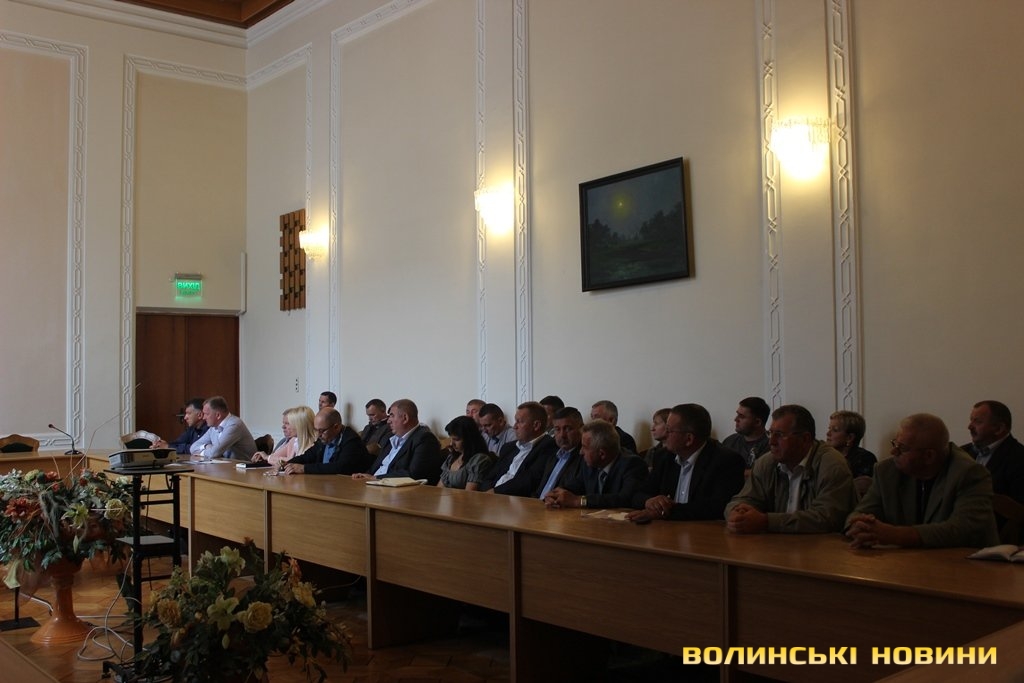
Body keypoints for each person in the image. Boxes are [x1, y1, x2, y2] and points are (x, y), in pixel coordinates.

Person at [846, 413, 998, 549]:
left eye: (902, 448)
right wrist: (858, 526)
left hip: (966, 564)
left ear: (929, 456)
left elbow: (963, 529)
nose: (893, 452)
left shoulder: (968, 473)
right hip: (907, 562)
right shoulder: (886, 471)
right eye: (894, 443)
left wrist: (895, 535)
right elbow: (860, 512)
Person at [725, 404, 856, 534]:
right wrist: (737, 513)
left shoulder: (832, 465)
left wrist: (766, 521)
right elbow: (744, 499)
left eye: (779, 435)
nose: (771, 442)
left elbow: (826, 518)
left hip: (823, 544)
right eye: (770, 433)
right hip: (776, 544)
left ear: (805, 439)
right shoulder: (766, 462)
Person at [627, 404, 746, 523]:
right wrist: (649, 501)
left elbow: (716, 507)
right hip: (665, 530)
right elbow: (637, 495)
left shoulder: (727, 461)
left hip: (705, 531)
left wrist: (663, 513)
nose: (665, 434)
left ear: (689, 439)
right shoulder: (663, 456)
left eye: (669, 430)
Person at [545, 419, 647, 510]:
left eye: (585, 447)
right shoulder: (589, 464)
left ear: (602, 454)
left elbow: (625, 499)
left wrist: (579, 501)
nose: (580, 452)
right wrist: (556, 495)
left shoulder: (633, 465)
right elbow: (575, 486)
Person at [353, 399, 443, 484]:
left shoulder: (425, 439)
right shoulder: (390, 438)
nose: (388, 421)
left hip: (398, 490)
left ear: (405, 418)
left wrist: (376, 478)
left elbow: (414, 474)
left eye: (392, 415)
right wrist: (363, 476)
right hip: (374, 485)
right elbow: (375, 467)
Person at [481, 402, 558, 496]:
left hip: (516, 499)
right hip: (491, 497)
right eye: (515, 421)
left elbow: (527, 482)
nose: (515, 426)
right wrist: (487, 493)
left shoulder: (549, 447)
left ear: (536, 425)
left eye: (519, 421)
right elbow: (489, 477)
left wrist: (495, 492)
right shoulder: (508, 448)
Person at [962, 400, 1024, 505]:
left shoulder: (1019, 458)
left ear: (999, 429)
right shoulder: (962, 452)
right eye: (971, 420)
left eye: (978, 422)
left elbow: (1018, 509)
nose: (969, 427)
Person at [284, 407, 370, 475]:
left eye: (321, 431)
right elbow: (307, 457)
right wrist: (286, 464)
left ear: (336, 427)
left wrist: (304, 468)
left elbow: (340, 467)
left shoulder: (351, 441)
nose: (318, 435)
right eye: (316, 430)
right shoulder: (324, 438)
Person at [534, 407, 585, 499]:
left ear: (581, 429)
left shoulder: (585, 457)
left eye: (568, 429)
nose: (562, 435)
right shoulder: (551, 454)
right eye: (557, 429)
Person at [188, 396, 258, 461]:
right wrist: (206, 446)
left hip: (244, 467)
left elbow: (214, 453)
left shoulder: (234, 425)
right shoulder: (213, 427)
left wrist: (202, 452)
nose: (203, 418)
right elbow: (193, 447)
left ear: (218, 415)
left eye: (206, 414)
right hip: (227, 466)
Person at [826, 410, 876, 496]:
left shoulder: (865, 458)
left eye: (835, 430)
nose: (828, 433)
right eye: (829, 428)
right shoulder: (826, 456)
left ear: (849, 438)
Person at [437, 415, 495, 490]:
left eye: (456, 440)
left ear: (469, 439)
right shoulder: (452, 458)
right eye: (451, 439)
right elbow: (439, 488)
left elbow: (469, 493)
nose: (451, 444)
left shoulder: (479, 460)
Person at [721, 397, 770, 468]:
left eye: (741, 416)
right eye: (737, 414)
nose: (736, 419)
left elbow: (761, 473)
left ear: (757, 422)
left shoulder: (771, 445)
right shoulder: (729, 441)